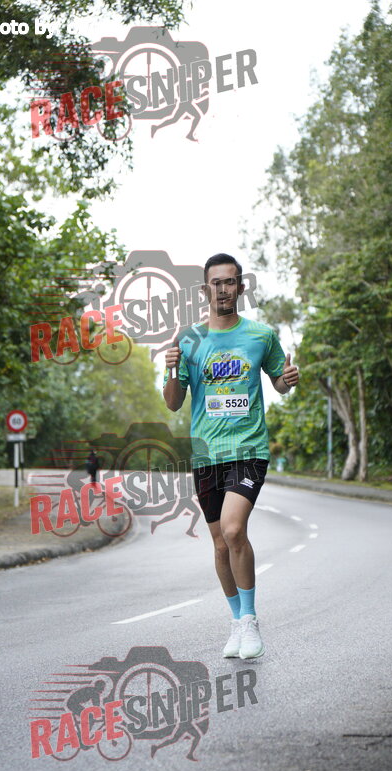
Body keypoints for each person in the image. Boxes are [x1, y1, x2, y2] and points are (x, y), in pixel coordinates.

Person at [163, 253, 299, 660]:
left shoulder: (261, 335)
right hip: (206, 454)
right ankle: (237, 620)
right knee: (221, 544)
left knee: (234, 529)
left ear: (241, 287)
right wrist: (171, 369)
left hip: (249, 448)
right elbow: (173, 403)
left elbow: (279, 381)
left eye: (230, 281)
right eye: (216, 282)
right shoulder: (189, 341)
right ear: (205, 289)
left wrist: (287, 380)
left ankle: (251, 620)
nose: (223, 289)